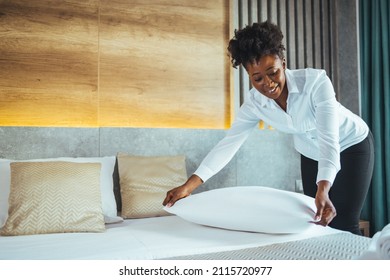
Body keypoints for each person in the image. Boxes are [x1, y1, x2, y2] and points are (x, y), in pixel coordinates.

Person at [163, 21, 374, 235]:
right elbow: (227, 145)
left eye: (272, 72)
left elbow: (330, 140)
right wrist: (188, 187)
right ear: (249, 77)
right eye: (258, 78)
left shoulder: (315, 83)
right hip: (310, 153)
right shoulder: (255, 104)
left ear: (283, 63)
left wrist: (323, 186)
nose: (268, 83)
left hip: (351, 144)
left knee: (345, 224)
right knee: (315, 222)